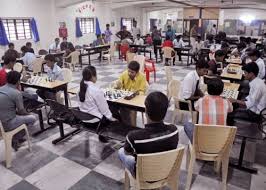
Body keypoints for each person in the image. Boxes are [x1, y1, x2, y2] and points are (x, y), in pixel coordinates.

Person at [118, 91, 179, 176]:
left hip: (143, 175)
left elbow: (128, 153)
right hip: (165, 171)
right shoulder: (174, 130)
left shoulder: (133, 136)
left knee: (121, 151)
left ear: (145, 110)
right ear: (165, 112)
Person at [0, 71, 36, 151]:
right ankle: (15, 138)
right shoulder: (16, 93)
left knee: (22, 117)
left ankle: (16, 135)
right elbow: (21, 111)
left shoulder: (1, 88)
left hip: (1, 123)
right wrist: (29, 113)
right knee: (32, 118)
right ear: (18, 81)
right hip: (7, 123)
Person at [112, 61, 147, 126]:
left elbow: (142, 91)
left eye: (132, 72)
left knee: (132, 110)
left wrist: (136, 93)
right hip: (124, 98)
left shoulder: (142, 77)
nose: (129, 73)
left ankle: (132, 127)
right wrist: (117, 85)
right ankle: (121, 124)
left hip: (135, 99)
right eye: (129, 71)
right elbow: (118, 84)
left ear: (137, 72)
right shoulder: (124, 74)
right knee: (112, 106)